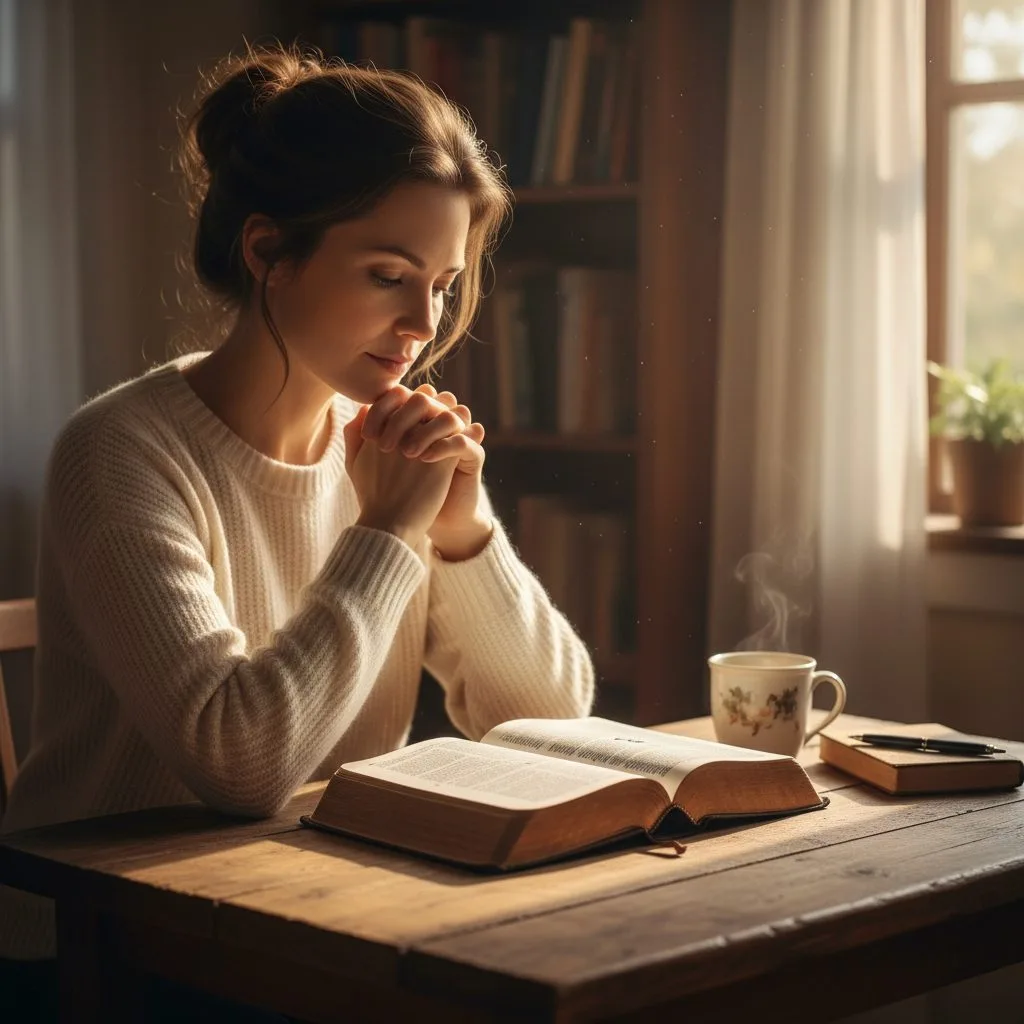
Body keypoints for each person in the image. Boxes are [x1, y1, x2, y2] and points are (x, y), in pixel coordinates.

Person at [0, 43, 595, 1020]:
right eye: (386, 274)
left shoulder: (379, 453)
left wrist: (461, 525)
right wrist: (392, 527)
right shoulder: (119, 453)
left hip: (321, 924)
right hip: (109, 951)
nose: (422, 323)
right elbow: (243, 765)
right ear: (268, 252)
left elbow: (554, 721)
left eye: (442, 283)